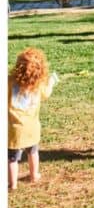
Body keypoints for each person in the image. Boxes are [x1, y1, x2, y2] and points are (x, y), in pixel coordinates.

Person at [8, 47, 58, 191]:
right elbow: (46, 94)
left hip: (13, 130)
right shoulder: (40, 84)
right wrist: (51, 83)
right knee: (33, 152)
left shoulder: (9, 82)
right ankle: (34, 175)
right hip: (32, 128)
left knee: (12, 159)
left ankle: (13, 184)